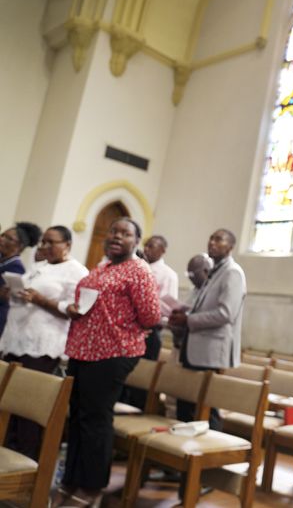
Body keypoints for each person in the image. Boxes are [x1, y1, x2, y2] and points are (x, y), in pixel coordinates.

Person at [55, 218, 160, 508]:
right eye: (113, 232)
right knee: (77, 416)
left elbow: (151, 316)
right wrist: (76, 310)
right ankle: (71, 479)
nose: (117, 236)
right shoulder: (103, 266)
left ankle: (92, 487)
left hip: (114, 352)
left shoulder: (138, 270)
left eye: (125, 234)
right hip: (83, 349)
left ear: (136, 241)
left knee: (96, 420)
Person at [0, 226, 88, 459]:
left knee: (27, 410)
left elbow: (74, 311)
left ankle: (27, 465)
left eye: (52, 243)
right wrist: (13, 294)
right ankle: (6, 460)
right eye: (43, 243)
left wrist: (39, 300)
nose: (45, 247)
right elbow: (24, 297)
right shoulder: (39, 266)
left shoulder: (77, 272)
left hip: (41, 346)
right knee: (8, 405)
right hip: (16, 339)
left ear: (67, 244)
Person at [168, 229, 246, 430]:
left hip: (210, 350)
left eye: (218, 240)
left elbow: (226, 313)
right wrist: (183, 311)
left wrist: (188, 320)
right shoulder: (215, 272)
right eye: (211, 238)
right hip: (194, 345)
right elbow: (204, 306)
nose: (212, 243)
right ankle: (182, 452)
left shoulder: (233, 273)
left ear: (230, 247)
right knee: (185, 403)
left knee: (205, 408)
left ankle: (208, 456)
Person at [0, 222, 42, 336]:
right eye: (2, 235)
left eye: (9, 238)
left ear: (20, 246)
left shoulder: (16, 267)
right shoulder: (3, 261)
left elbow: (7, 296)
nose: (2, 239)